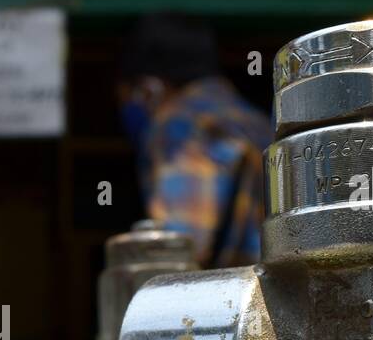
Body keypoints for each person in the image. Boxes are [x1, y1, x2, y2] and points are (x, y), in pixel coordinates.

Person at [116, 14, 273, 268]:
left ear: (148, 89)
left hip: (232, 299)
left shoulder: (180, 124)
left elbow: (182, 248)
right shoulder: (257, 122)